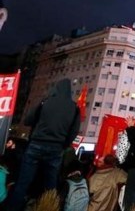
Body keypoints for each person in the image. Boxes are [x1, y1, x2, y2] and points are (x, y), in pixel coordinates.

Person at [6, 78, 80, 211]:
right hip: (56, 148)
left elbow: (28, 120)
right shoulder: (74, 108)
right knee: (51, 185)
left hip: (36, 144)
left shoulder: (45, 102)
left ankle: (12, 208)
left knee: (23, 182)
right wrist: (63, 145)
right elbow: (73, 132)